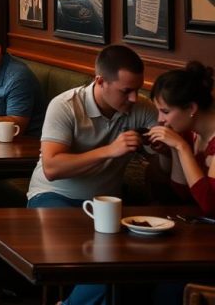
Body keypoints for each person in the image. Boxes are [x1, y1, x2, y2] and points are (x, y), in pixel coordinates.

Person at [26, 44, 159, 305]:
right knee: (106, 263)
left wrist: (166, 151)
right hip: (53, 197)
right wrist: (110, 150)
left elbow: (163, 163)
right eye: (126, 91)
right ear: (100, 81)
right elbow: (52, 168)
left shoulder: (141, 109)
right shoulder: (65, 106)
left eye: (137, 90)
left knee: (129, 260)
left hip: (106, 205)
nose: (133, 98)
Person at [145, 61, 215, 215]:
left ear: (191, 108)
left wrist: (182, 147)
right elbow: (182, 191)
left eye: (165, 111)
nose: (160, 119)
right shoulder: (188, 130)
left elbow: (210, 205)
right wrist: (174, 147)